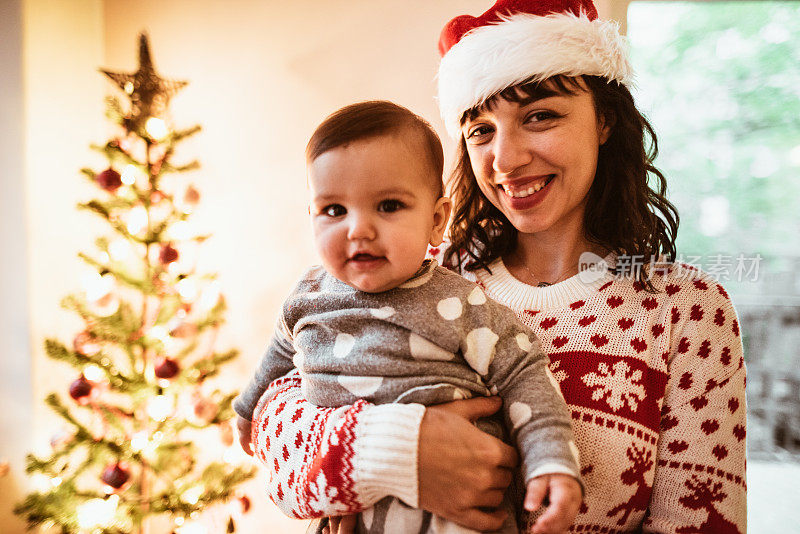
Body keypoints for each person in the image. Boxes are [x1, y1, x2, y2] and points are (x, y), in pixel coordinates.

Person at [241, 1, 747, 533]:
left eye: (540, 116)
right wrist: (392, 453)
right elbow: (272, 439)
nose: (504, 159)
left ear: (604, 119)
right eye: (480, 129)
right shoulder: (416, 277)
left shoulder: (687, 311)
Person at [234, 101, 583, 533]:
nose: (357, 229)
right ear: (312, 217)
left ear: (437, 220)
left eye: (389, 205)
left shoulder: (462, 304)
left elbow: (525, 374)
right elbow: (274, 369)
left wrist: (552, 460)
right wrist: (247, 411)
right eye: (334, 210)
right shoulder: (307, 298)